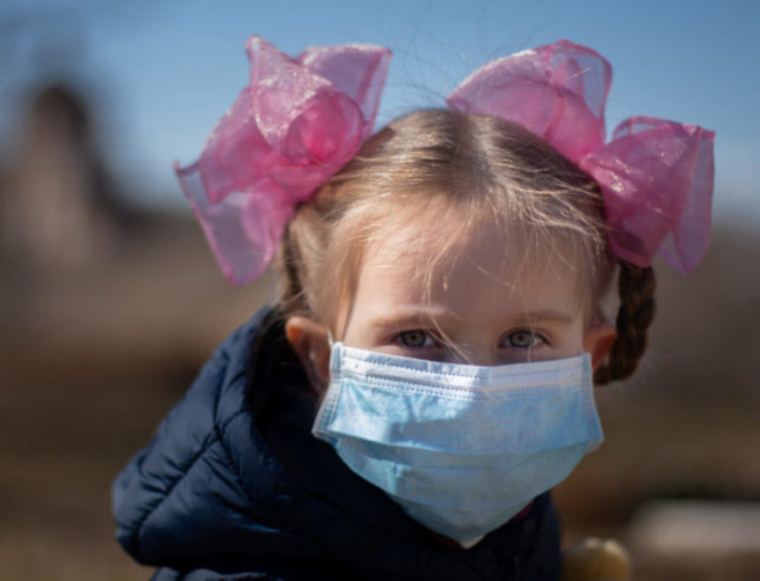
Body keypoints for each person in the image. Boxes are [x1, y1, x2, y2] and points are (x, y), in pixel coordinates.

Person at [112, 36, 714, 580]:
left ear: (589, 357)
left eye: (525, 338)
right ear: (321, 358)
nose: (471, 392)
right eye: (417, 337)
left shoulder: (524, 530)